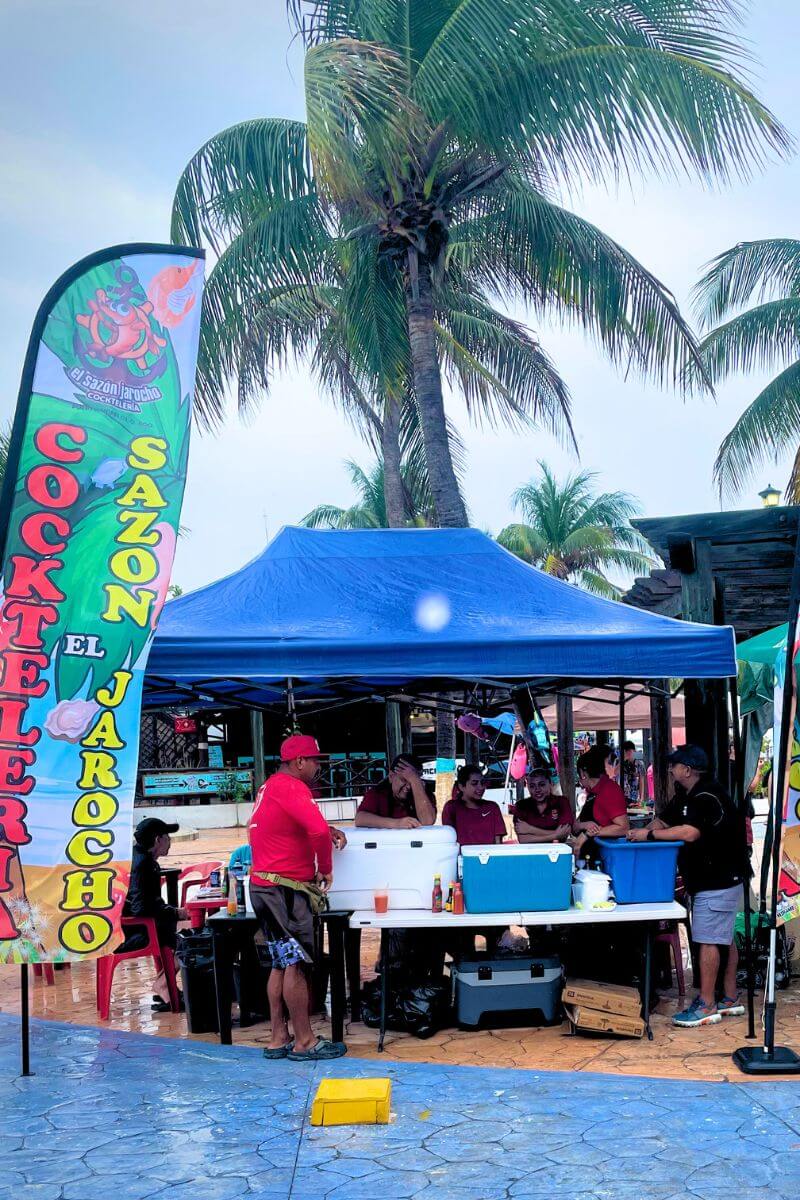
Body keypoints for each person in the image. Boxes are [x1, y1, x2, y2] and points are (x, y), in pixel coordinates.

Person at [629, 745, 745, 1028]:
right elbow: (666, 818)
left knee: (708, 940)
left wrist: (650, 835)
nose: (670, 770)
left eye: (674, 765)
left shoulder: (707, 796)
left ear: (688, 770)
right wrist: (636, 832)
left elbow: (690, 832)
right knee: (722, 936)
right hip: (718, 881)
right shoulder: (688, 795)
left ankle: (706, 1004)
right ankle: (729, 997)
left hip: (718, 881)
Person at [249, 734, 347, 1061]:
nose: (319, 767)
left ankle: (279, 1037)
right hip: (286, 890)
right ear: (300, 761)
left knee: (279, 961)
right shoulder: (292, 787)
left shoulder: (270, 787)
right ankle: (305, 1040)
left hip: (264, 886)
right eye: (316, 760)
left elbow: (301, 826)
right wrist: (326, 868)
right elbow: (317, 832)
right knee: (296, 963)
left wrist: (325, 827)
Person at [122, 817, 189, 1011]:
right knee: (189, 942)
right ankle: (163, 986)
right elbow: (140, 907)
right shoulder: (143, 865)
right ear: (158, 840)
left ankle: (166, 985)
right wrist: (175, 913)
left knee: (178, 937)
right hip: (135, 933)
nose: (170, 841)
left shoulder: (138, 858)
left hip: (131, 927)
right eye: (168, 837)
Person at [573, 745, 629, 862]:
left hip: (603, 856)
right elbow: (576, 825)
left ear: (584, 773)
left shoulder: (609, 790)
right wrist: (584, 825)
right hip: (586, 855)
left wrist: (588, 834)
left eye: (579, 775)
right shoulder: (592, 791)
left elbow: (623, 828)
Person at [355, 754, 436, 828]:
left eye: (412, 781)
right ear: (391, 776)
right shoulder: (377, 793)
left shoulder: (425, 794)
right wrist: (396, 823)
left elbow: (427, 821)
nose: (408, 786)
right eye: (404, 780)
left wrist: (415, 781)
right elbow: (360, 819)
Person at [442, 765, 506, 845]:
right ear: (461, 786)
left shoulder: (492, 807)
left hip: (489, 856)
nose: (481, 787)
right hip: (462, 856)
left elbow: (498, 842)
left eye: (482, 783)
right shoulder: (451, 807)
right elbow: (449, 840)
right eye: (474, 783)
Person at [512, 768, 573, 844]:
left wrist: (530, 829)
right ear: (527, 787)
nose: (537, 789)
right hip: (530, 852)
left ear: (551, 784)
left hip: (556, 852)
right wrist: (556, 835)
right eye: (532, 786)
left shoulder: (561, 802)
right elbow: (523, 839)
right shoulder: (521, 806)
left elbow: (565, 833)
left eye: (542, 785)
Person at [621, 741, 646, 805]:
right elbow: (615, 773)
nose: (628, 752)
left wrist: (641, 798)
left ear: (634, 750)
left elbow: (641, 782)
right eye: (626, 750)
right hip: (622, 796)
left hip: (634, 797)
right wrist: (623, 760)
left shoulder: (640, 764)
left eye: (630, 750)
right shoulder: (621, 763)